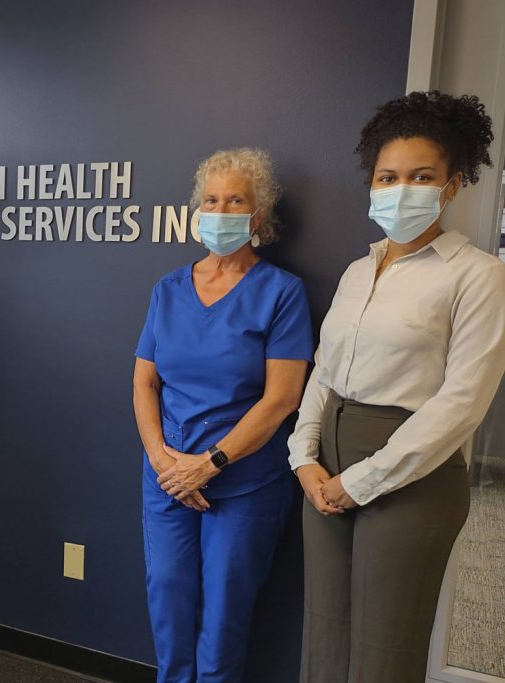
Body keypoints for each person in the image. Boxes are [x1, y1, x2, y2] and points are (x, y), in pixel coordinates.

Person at [288, 91, 505, 683]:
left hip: (410, 475)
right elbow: (323, 372)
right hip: (325, 468)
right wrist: (303, 456)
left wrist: (359, 482)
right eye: (388, 176)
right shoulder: (359, 271)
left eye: (421, 176)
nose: (401, 188)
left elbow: (462, 403)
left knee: (385, 654)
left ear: (453, 183)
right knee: (324, 638)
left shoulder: (479, 276)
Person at [133, 148, 313, 682]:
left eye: (236, 200)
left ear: (256, 217)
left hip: (243, 480)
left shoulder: (281, 293)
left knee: (224, 613)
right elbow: (144, 380)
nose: (221, 209)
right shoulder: (168, 289)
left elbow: (283, 397)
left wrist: (208, 464)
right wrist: (163, 460)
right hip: (167, 476)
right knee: (167, 597)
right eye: (211, 199)